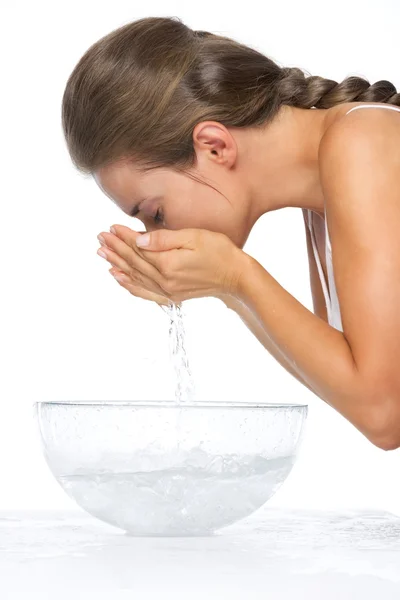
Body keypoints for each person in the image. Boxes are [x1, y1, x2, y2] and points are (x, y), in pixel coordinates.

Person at [61, 16, 400, 450]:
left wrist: (236, 277)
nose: (155, 236)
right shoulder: (322, 201)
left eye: (156, 212)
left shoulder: (363, 140)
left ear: (214, 146)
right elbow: (350, 386)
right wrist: (225, 288)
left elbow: (385, 414)